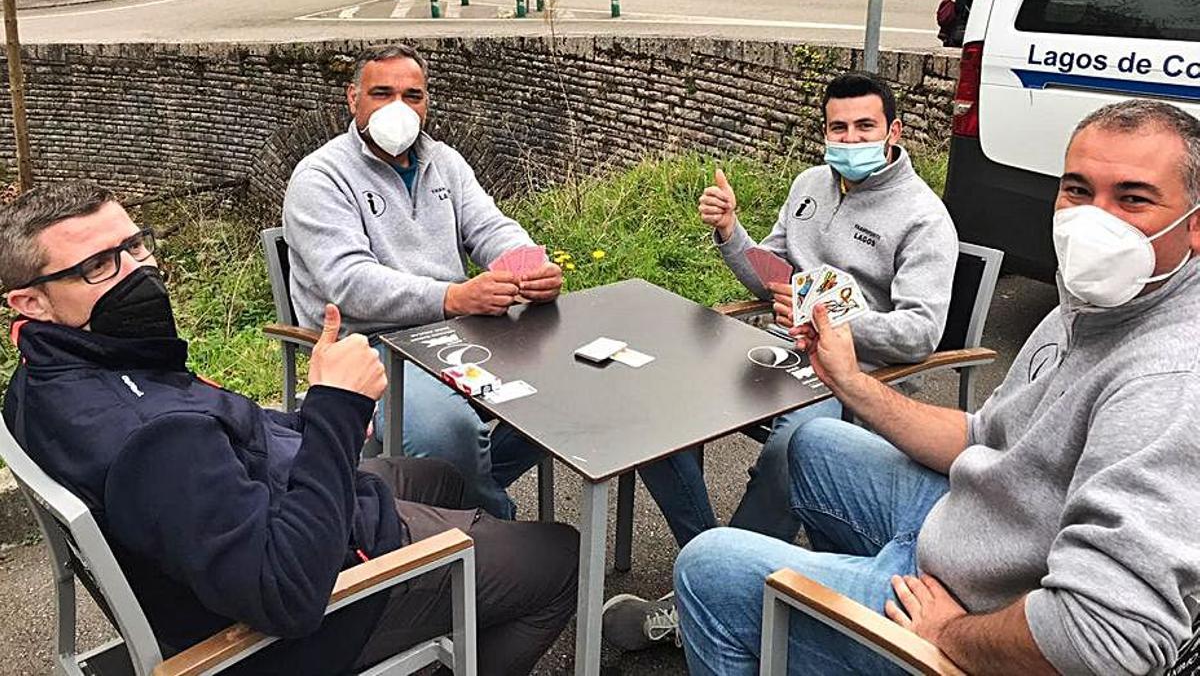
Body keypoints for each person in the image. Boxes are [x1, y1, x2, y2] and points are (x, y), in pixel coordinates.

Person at [674, 98, 1200, 675]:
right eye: (1077, 190)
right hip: (974, 520)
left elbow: (1103, 639)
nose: (1096, 221)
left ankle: (782, 611)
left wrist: (948, 632)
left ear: (1194, 223)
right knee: (812, 444)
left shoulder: (1169, 380)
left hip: (987, 608)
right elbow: (984, 435)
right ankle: (821, 621)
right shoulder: (1091, 301)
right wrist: (847, 380)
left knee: (708, 568)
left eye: (1133, 198)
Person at [0, 181, 579, 676]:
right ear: (32, 301)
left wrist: (317, 418)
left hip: (257, 518)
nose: (137, 271)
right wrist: (334, 409)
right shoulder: (155, 438)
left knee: (439, 476)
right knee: (559, 556)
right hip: (308, 618)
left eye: (134, 244)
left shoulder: (50, 375)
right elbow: (287, 593)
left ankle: (467, 575)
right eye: (99, 266)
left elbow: (217, 451)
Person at [605, 71, 958, 649]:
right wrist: (729, 231)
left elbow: (919, 334)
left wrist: (830, 320)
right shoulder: (810, 184)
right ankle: (707, 554)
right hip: (769, 355)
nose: (850, 140)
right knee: (656, 405)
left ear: (894, 131)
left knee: (792, 445)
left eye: (865, 126)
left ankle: (723, 588)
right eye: (838, 129)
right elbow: (770, 273)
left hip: (850, 375)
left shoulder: (922, 217)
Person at [284, 44, 559, 520]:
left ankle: (458, 488)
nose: (399, 107)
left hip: (457, 332)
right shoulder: (319, 178)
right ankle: (494, 528)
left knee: (571, 386)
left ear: (427, 102)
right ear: (353, 99)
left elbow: (491, 228)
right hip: (372, 348)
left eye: (412, 95)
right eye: (382, 93)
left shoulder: (444, 162)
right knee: (445, 432)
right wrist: (452, 297)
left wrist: (530, 266)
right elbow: (348, 282)